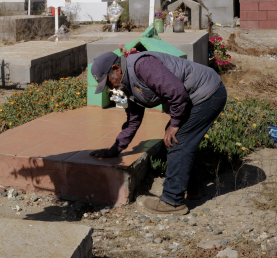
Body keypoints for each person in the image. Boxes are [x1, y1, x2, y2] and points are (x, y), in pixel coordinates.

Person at [89, 50, 226, 215]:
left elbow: (177, 92)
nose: (109, 88)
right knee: (181, 141)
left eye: (108, 82)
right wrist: (115, 149)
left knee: (177, 140)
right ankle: (193, 189)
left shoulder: (142, 65)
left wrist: (175, 124)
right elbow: (133, 119)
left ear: (116, 68)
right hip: (194, 98)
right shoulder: (126, 85)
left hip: (208, 93)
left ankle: (172, 201)